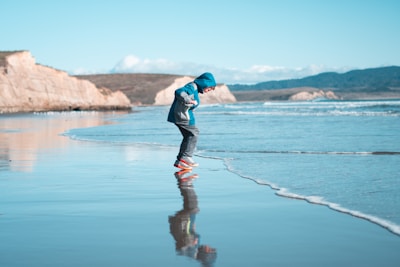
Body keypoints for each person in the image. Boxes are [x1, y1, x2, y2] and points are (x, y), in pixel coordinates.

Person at [167, 72, 216, 169]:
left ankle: (181, 160)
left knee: (188, 136)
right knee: (194, 133)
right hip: (182, 117)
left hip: (184, 116)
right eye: (209, 88)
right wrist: (188, 100)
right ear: (205, 83)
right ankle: (186, 157)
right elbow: (179, 91)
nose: (208, 90)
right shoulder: (191, 87)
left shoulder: (195, 89)